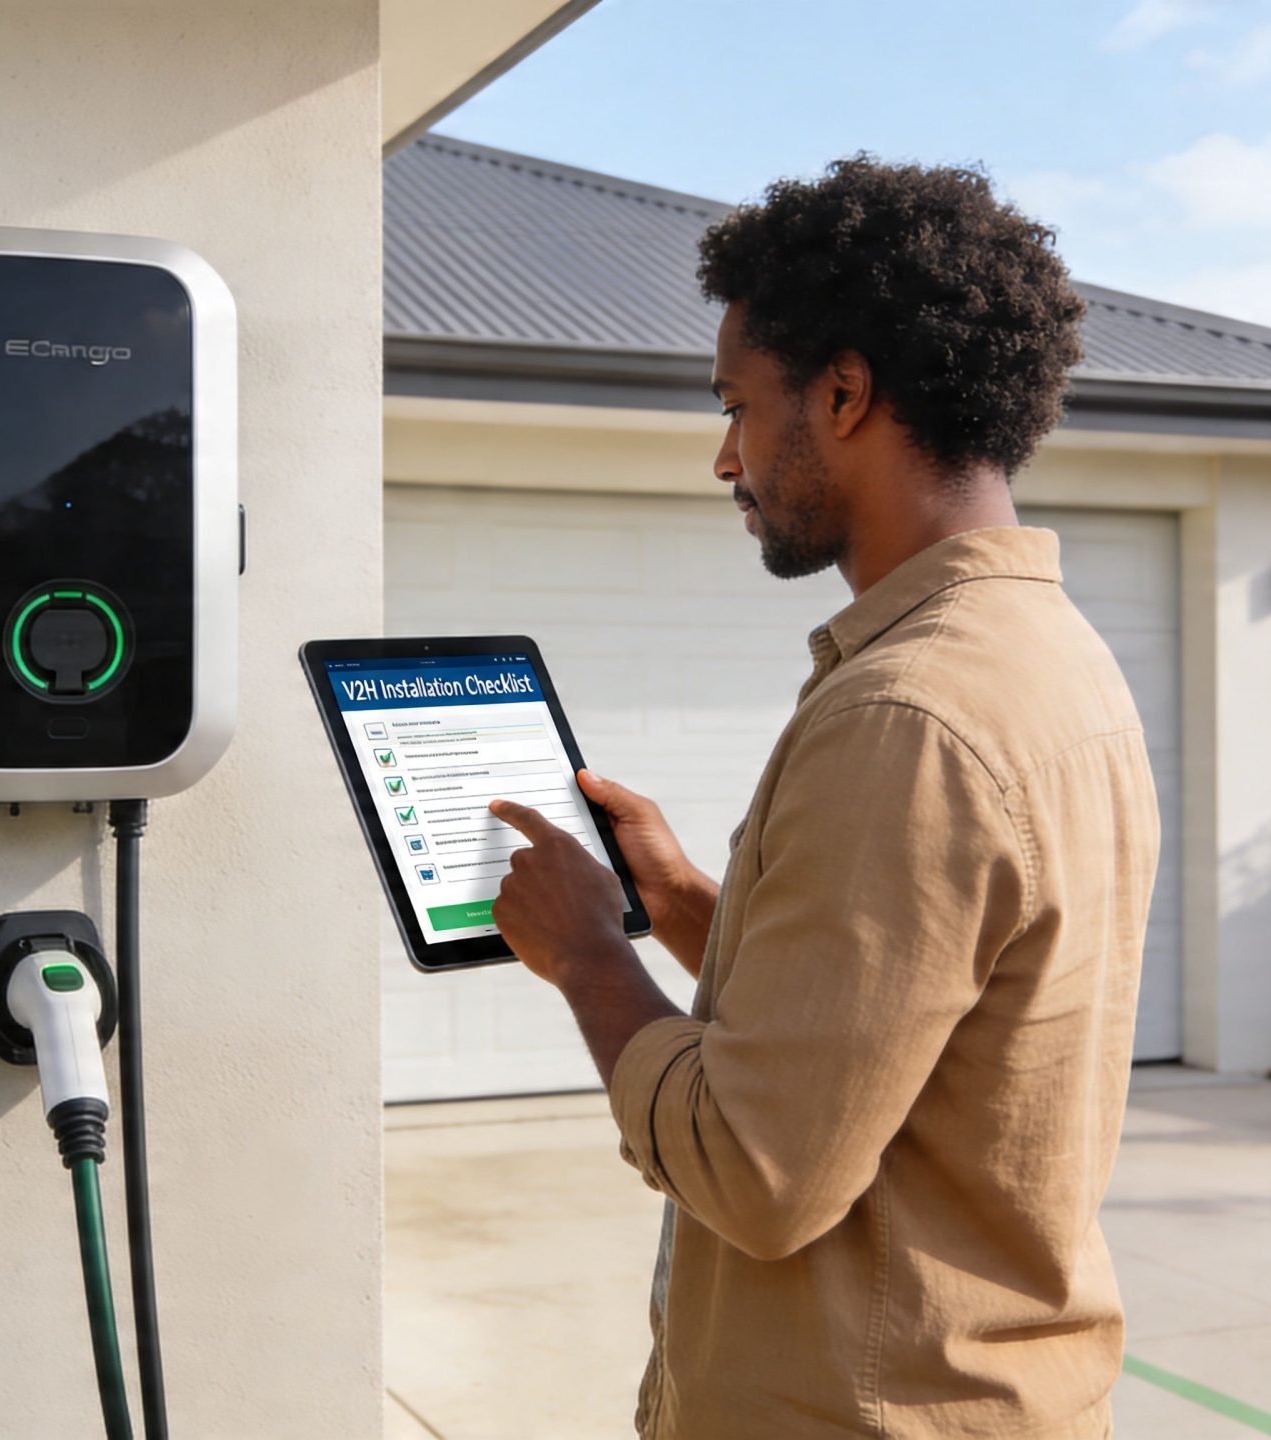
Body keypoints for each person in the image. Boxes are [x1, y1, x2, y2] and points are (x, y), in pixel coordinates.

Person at [486, 157, 1160, 1438]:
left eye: (738, 405)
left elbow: (754, 1171)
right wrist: (685, 902)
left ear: (843, 393)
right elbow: (910, 1022)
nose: (724, 457)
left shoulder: (908, 718)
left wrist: (586, 957)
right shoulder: (1054, 662)